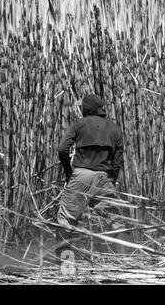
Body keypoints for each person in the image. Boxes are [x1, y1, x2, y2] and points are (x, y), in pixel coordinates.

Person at [55, 94, 124, 263]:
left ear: (85, 109)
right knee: (116, 220)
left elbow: (63, 148)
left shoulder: (79, 124)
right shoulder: (115, 128)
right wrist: (111, 180)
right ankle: (125, 260)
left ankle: (65, 266)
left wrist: (68, 171)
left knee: (66, 220)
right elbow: (117, 161)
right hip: (103, 177)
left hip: (81, 175)